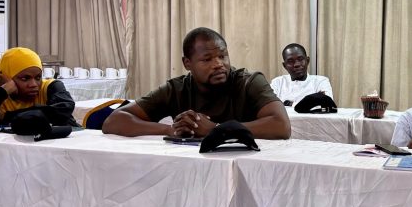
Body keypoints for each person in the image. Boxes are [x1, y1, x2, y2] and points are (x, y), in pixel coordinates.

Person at [103, 27, 291, 139]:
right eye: (207, 59)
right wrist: (171, 129)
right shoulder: (176, 89)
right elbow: (114, 121)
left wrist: (217, 130)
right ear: (187, 63)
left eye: (222, 56)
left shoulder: (248, 82)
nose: (218, 64)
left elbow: (281, 126)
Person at [0, 47, 77, 128]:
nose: (34, 84)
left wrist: (5, 117)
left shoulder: (50, 88)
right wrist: (4, 90)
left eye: (38, 77)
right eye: (25, 78)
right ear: (6, 77)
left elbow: (62, 110)